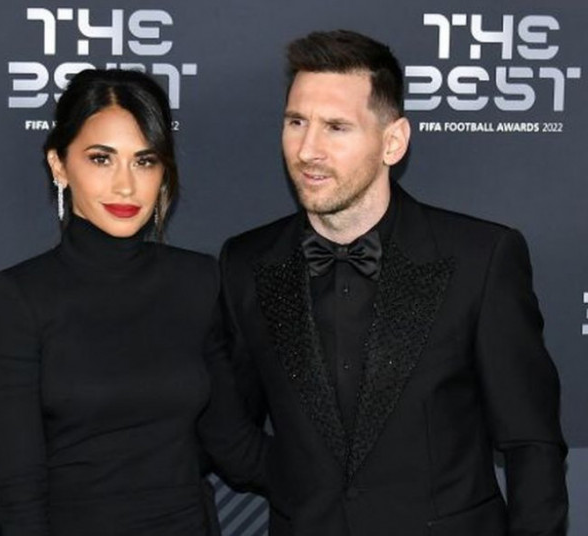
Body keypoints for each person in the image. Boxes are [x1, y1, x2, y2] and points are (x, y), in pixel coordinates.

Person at [218, 30, 568, 535]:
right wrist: (299, 485)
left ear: (393, 141)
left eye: (336, 127)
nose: (308, 149)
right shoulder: (247, 262)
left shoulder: (481, 259)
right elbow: (230, 424)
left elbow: (532, 443)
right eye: (296, 122)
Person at [0, 69, 265, 536]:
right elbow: (19, 498)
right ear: (59, 165)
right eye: (101, 159)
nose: (126, 185)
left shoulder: (197, 281)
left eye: (144, 161)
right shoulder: (14, 299)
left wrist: (359, 479)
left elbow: (236, 448)